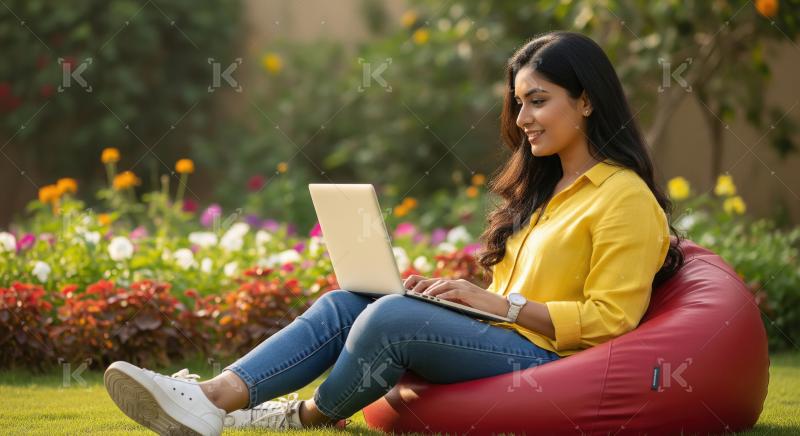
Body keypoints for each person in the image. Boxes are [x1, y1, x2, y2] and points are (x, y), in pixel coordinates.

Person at [103, 31, 684, 435]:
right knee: (350, 302)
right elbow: (513, 296)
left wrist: (500, 304)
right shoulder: (546, 189)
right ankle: (211, 398)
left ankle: (294, 415)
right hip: (507, 335)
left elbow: (612, 320)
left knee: (389, 319)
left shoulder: (623, 197)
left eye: (538, 101)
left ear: (585, 101)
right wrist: (460, 295)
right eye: (518, 103)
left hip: (551, 361)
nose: (523, 118)